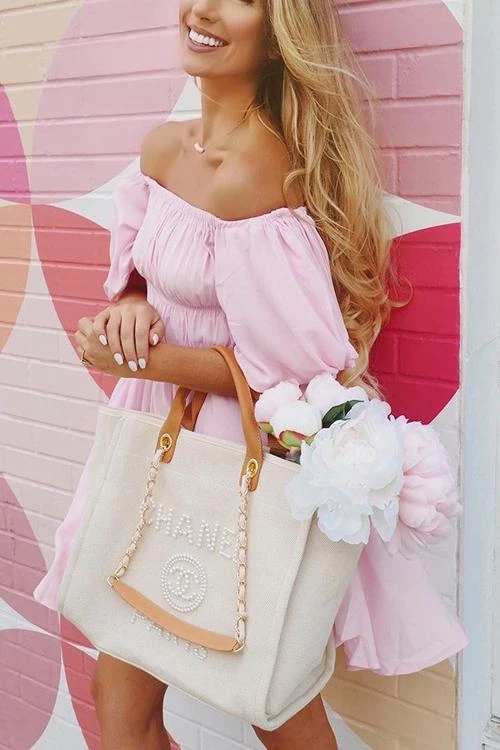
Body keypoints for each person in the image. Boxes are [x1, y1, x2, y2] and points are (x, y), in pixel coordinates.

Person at [34, 1, 468, 748]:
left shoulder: (259, 173)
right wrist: (130, 306)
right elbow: (145, 270)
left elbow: (299, 376)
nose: (201, 10)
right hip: (156, 444)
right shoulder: (164, 149)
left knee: (267, 695)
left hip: (238, 455)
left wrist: (143, 359)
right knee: (121, 698)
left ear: (277, 36)